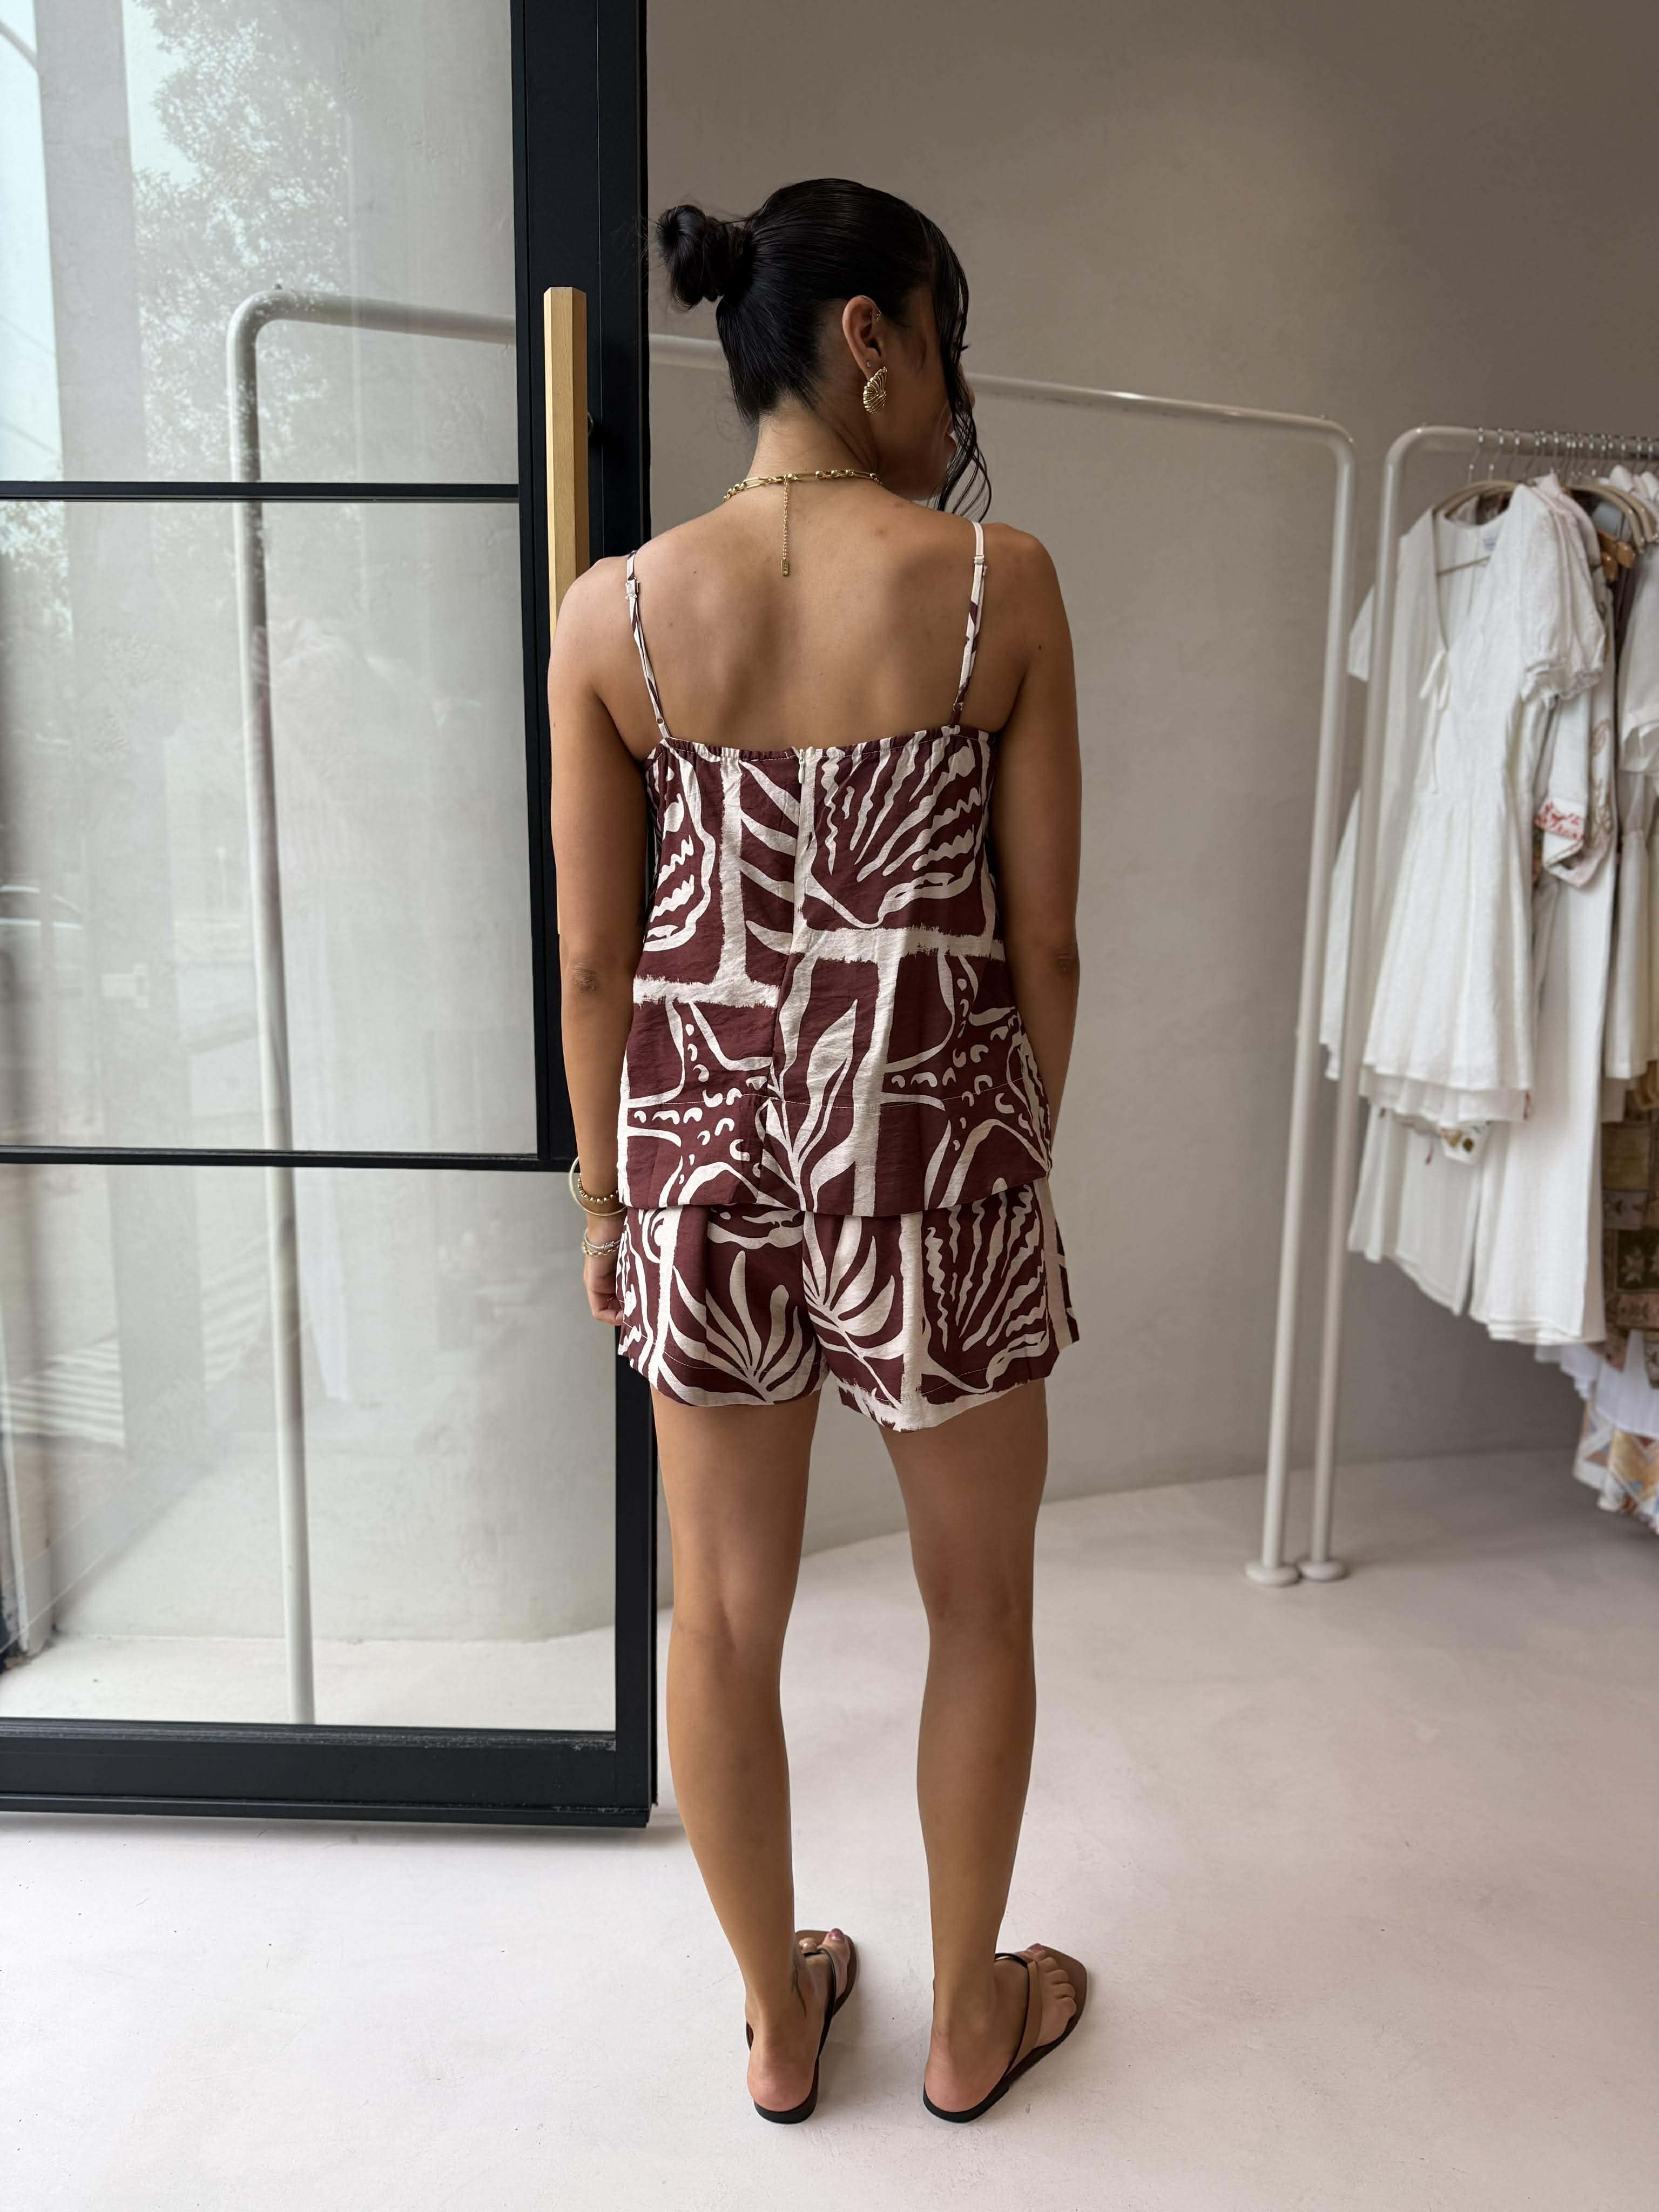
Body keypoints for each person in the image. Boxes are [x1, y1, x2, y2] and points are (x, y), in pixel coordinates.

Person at [547, 177, 1085, 2126]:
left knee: (720, 1618)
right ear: (871, 337)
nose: (956, 396)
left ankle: (780, 2023)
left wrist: (610, 1200)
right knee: (981, 1605)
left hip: (701, 1160)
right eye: (947, 345)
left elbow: (595, 960)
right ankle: (967, 2020)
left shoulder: (614, 613)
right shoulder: (995, 582)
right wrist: (1002, 1158)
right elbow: (1047, 947)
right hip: (931, 1148)